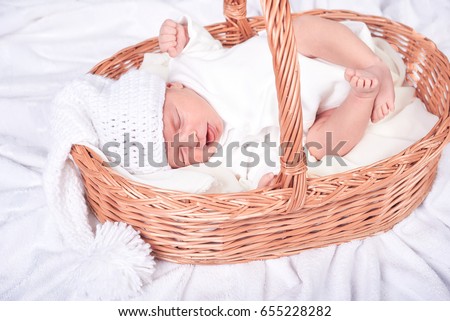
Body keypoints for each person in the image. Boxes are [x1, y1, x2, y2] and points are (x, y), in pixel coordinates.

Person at [155, 14, 395, 189]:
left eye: (178, 121)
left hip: (315, 53)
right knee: (319, 146)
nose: (191, 139)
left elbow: (194, 40)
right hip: (322, 111)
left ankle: (373, 65)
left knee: (297, 30)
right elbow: (255, 164)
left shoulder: (189, 67)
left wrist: (179, 34)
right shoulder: (224, 153)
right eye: (182, 153)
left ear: (172, 87)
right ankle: (363, 97)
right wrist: (265, 181)